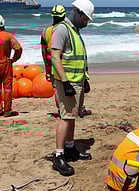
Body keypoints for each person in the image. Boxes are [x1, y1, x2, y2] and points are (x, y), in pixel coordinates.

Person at [51, 0, 94, 176]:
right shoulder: (62, 29)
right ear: (77, 13)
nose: (86, 22)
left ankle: (70, 148)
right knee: (65, 117)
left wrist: (85, 79)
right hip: (67, 82)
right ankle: (59, 155)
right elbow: (55, 57)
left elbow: (78, 57)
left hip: (77, 81)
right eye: (85, 18)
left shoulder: (75, 31)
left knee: (72, 116)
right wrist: (66, 82)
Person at [41, 5, 91, 118]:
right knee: (65, 99)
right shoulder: (64, 29)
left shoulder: (46, 31)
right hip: (62, 68)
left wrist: (47, 69)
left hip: (54, 67)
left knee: (57, 91)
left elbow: (44, 52)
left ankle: (60, 109)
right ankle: (64, 110)